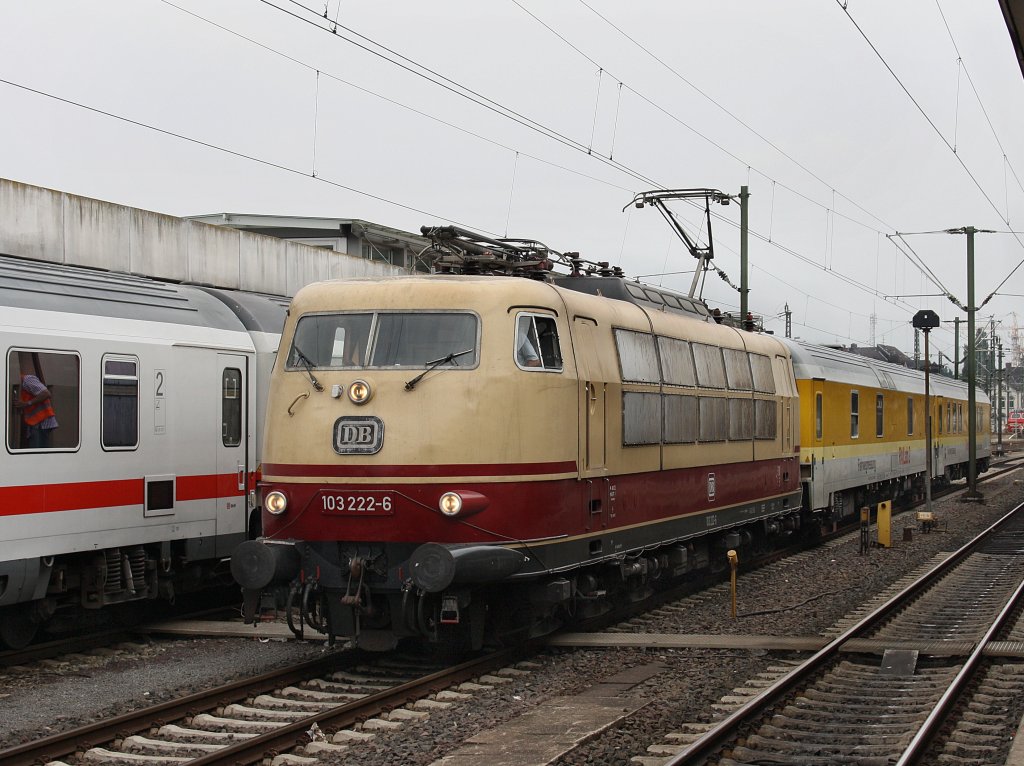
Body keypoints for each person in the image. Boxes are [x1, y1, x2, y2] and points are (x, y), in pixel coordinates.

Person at [15, 354, 59, 448]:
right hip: (35, 422)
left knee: (37, 451)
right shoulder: (21, 385)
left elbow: (46, 393)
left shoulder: (27, 380)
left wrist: (27, 403)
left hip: (41, 422)